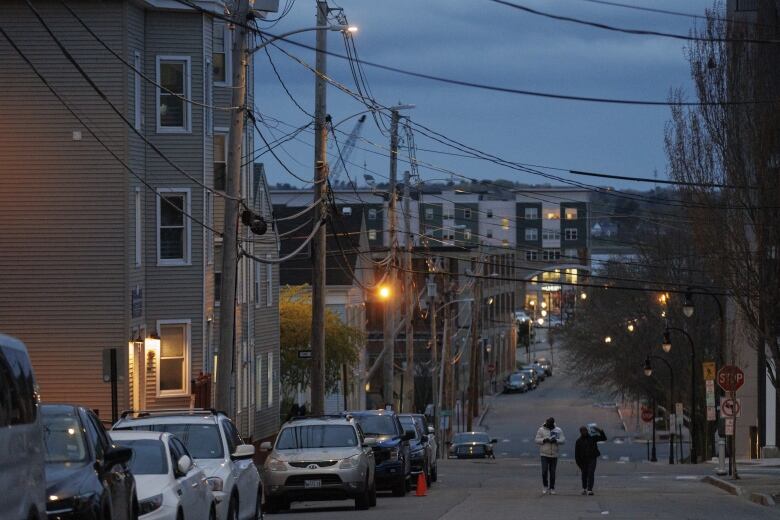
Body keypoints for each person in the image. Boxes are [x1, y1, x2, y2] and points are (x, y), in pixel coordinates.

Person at [535, 417, 565, 495]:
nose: (548, 424)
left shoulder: (558, 430)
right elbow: (536, 440)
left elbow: (563, 440)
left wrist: (556, 441)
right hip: (544, 454)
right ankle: (545, 486)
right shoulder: (541, 429)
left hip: (554, 454)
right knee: (544, 471)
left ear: (553, 423)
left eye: (550, 423)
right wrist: (544, 440)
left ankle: (552, 487)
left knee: (552, 472)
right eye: (547, 423)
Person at [575, 425, 607, 495]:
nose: (584, 432)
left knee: (591, 473)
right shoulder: (578, 441)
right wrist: (579, 463)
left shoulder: (592, 438)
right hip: (583, 460)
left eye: (585, 431)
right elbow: (576, 454)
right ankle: (584, 488)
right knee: (584, 474)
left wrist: (600, 430)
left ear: (587, 431)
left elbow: (604, 438)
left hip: (592, 458)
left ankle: (590, 489)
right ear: (580, 432)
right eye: (582, 431)